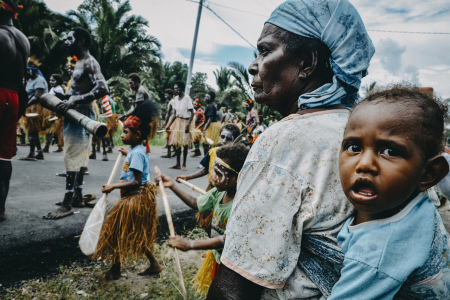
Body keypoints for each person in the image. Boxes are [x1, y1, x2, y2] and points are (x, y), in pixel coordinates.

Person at [207, 0, 375, 299]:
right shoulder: (369, 130)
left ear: (307, 63)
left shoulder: (289, 139)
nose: (253, 65)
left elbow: (236, 286)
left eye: (265, 50)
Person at [326, 85, 450, 299]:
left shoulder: (376, 256)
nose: (364, 164)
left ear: (428, 174)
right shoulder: (408, 198)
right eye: (354, 147)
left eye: (390, 151)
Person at [157, 143, 249, 295]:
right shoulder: (218, 193)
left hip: (234, 264)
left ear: (236, 177)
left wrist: (190, 244)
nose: (212, 178)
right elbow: (195, 203)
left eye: (219, 174)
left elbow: (228, 239)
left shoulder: (241, 204)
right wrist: (172, 186)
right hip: (218, 258)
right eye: (214, 172)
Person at [44, 28, 109, 219]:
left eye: (69, 38)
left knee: (72, 156)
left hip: (82, 113)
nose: (66, 41)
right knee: (79, 157)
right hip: (76, 112)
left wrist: (75, 100)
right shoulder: (79, 62)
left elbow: (103, 88)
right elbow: (80, 90)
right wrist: (65, 97)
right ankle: (77, 197)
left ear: (80, 41)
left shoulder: (89, 62)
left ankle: (66, 204)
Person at [93, 101, 162, 280]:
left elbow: (137, 181)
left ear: (137, 134)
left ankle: (115, 270)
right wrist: (127, 153)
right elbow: (136, 164)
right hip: (137, 198)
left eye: (125, 132)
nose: (122, 135)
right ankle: (154, 264)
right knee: (136, 232)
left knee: (115, 231)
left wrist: (113, 186)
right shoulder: (138, 149)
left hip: (135, 198)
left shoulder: (137, 153)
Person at [0, 0, 30, 221]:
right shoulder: (23, 39)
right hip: (14, 97)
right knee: (3, 155)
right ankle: (0, 209)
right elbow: (23, 78)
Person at [19, 59, 49, 160]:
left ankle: (33, 153)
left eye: (28, 70)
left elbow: (36, 96)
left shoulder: (39, 80)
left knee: (33, 130)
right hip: (30, 107)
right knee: (32, 131)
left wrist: (25, 105)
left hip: (37, 108)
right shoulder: (29, 80)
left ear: (34, 70)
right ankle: (38, 153)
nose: (26, 72)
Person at [165, 81, 194, 171]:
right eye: (174, 88)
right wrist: (168, 125)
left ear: (182, 88)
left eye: (177, 88)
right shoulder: (175, 99)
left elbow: (192, 112)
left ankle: (184, 164)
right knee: (176, 143)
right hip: (177, 121)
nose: (175, 90)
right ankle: (177, 164)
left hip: (186, 121)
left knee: (184, 144)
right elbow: (174, 114)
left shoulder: (187, 98)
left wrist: (188, 125)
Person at [42, 74, 65, 153]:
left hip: (56, 112)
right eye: (50, 80)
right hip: (52, 111)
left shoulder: (58, 89)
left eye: (53, 80)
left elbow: (58, 101)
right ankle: (59, 146)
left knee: (51, 130)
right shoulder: (53, 88)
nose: (51, 82)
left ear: (58, 81)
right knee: (54, 131)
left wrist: (55, 112)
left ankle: (47, 147)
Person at [161, 88, 175, 158]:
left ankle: (169, 153)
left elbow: (168, 113)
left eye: (166, 95)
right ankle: (173, 152)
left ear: (170, 95)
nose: (165, 97)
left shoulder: (171, 102)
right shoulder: (173, 101)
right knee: (171, 137)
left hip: (171, 120)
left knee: (169, 137)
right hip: (173, 120)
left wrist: (166, 123)